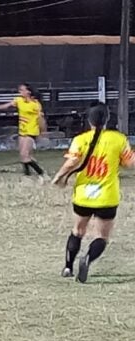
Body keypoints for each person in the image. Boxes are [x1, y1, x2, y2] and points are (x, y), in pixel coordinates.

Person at [51, 103, 135, 283]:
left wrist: (59, 177)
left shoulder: (80, 139)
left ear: (88, 119)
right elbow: (130, 163)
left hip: (83, 195)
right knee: (102, 237)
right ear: (107, 119)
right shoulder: (118, 139)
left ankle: (68, 266)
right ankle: (88, 258)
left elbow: (71, 162)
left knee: (77, 230)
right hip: (107, 196)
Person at [0, 83, 47, 183]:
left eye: (22, 90)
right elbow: (7, 105)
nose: (20, 92)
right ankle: (29, 174)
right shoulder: (19, 100)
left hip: (31, 131)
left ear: (29, 91)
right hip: (22, 131)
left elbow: (41, 119)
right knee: (25, 155)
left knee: (25, 155)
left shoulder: (35, 104)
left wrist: (43, 131)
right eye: (19, 90)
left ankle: (40, 173)